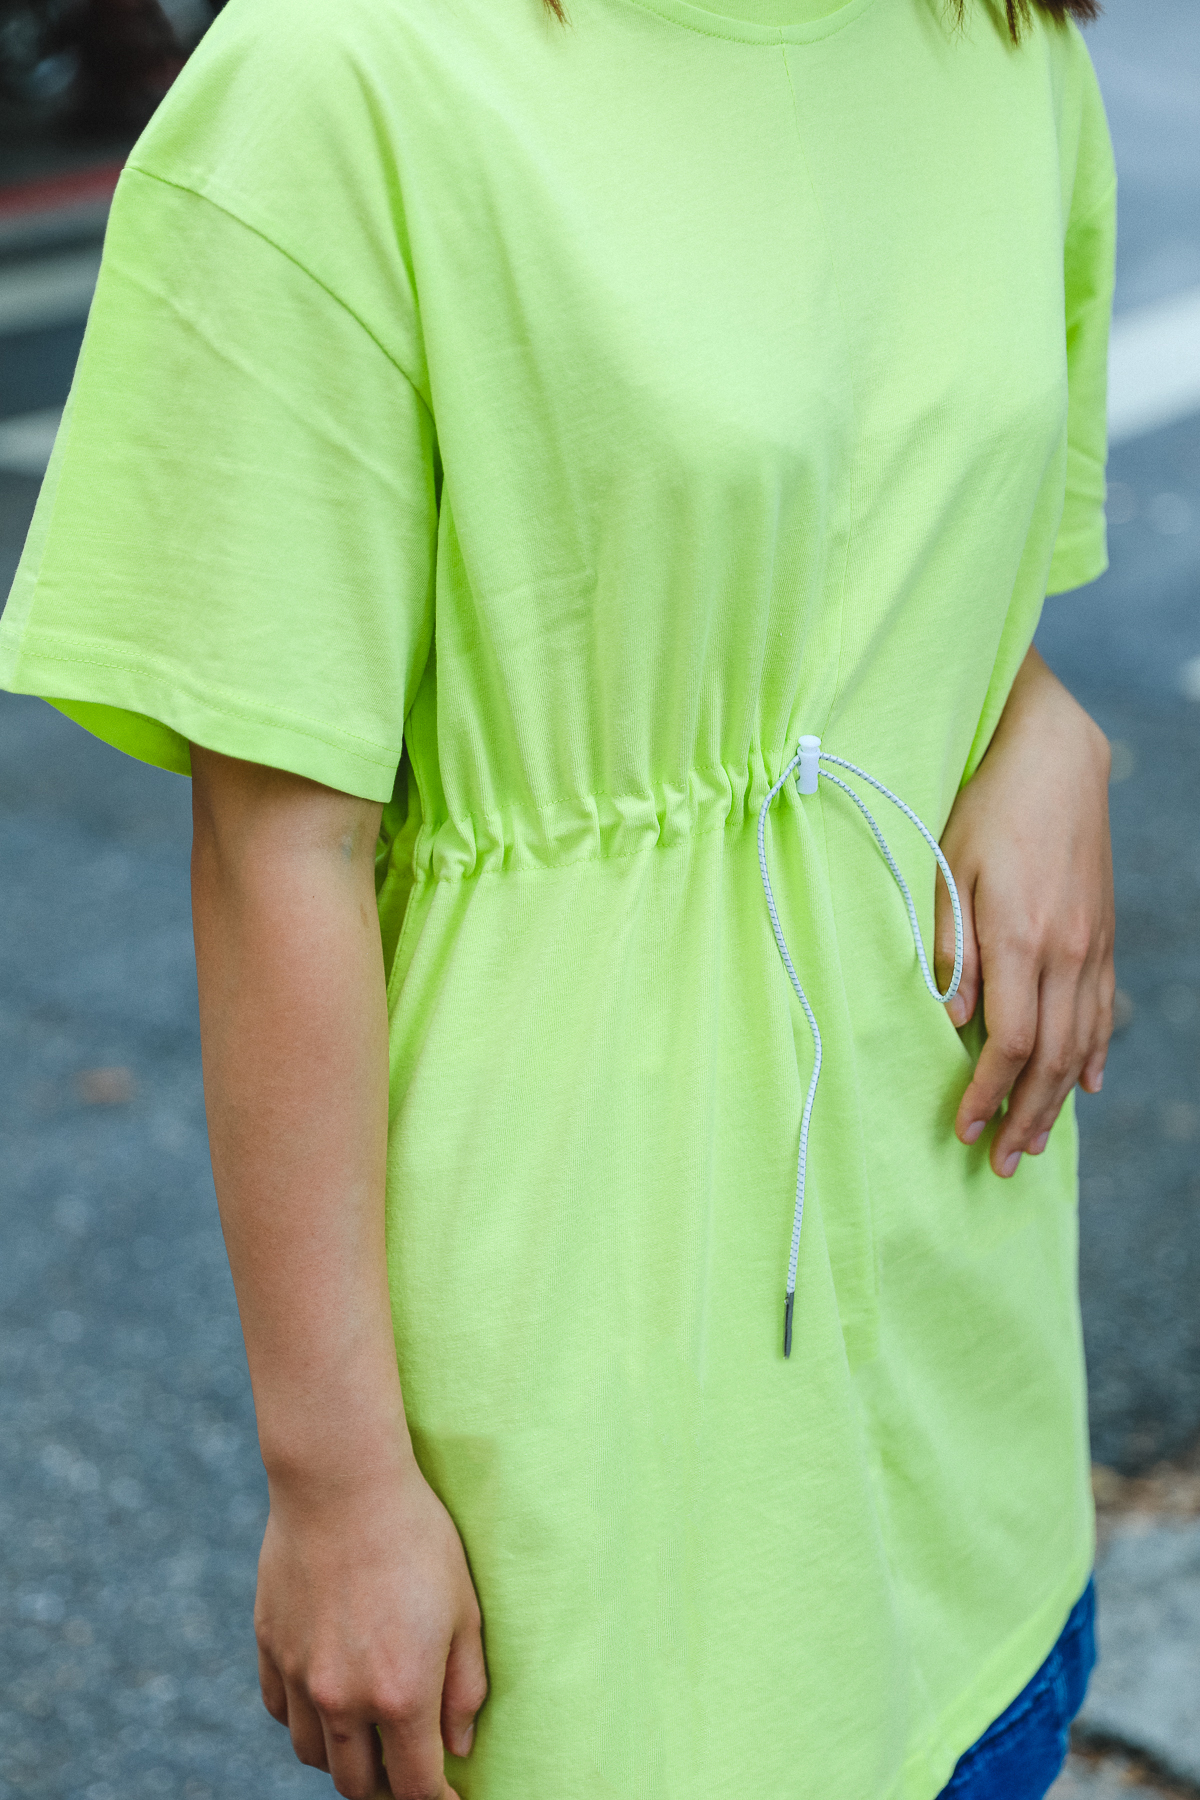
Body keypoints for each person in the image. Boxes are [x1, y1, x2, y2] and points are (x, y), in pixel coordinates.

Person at [0, 0, 1117, 1792]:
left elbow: (919, 551)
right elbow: (281, 845)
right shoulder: (340, 79)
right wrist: (337, 1484)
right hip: (596, 1377)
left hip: (970, 1355)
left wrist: (1043, 717)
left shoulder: (1001, 44)